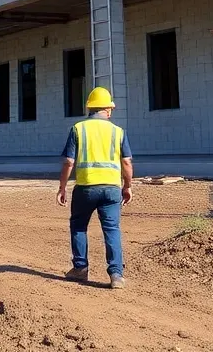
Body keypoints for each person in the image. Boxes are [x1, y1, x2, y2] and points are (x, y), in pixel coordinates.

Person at [56, 86, 132, 290]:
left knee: (79, 226)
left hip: (85, 188)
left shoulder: (78, 129)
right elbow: (126, 163)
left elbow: (69, 162)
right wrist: (128, 186)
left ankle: (80, 269)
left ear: (90, 107)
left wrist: (62, 187)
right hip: (111, 189)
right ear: (107, 109)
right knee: (112, 229)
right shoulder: (118, 132)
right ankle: (116, 275)